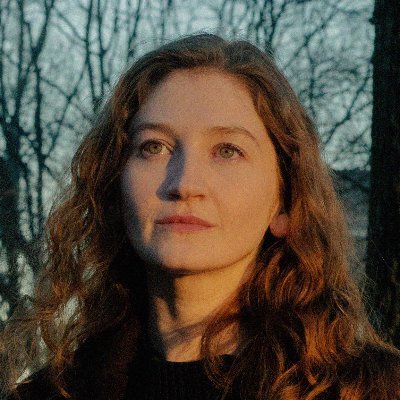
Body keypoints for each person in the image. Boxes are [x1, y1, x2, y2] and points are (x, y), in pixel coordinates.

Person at [1, 32, 400, 400]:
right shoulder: (50, 395)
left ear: (284, 205)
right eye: (154, 147)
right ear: (113, 188)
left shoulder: (373, 390)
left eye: (227, 150)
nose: (184, 183)